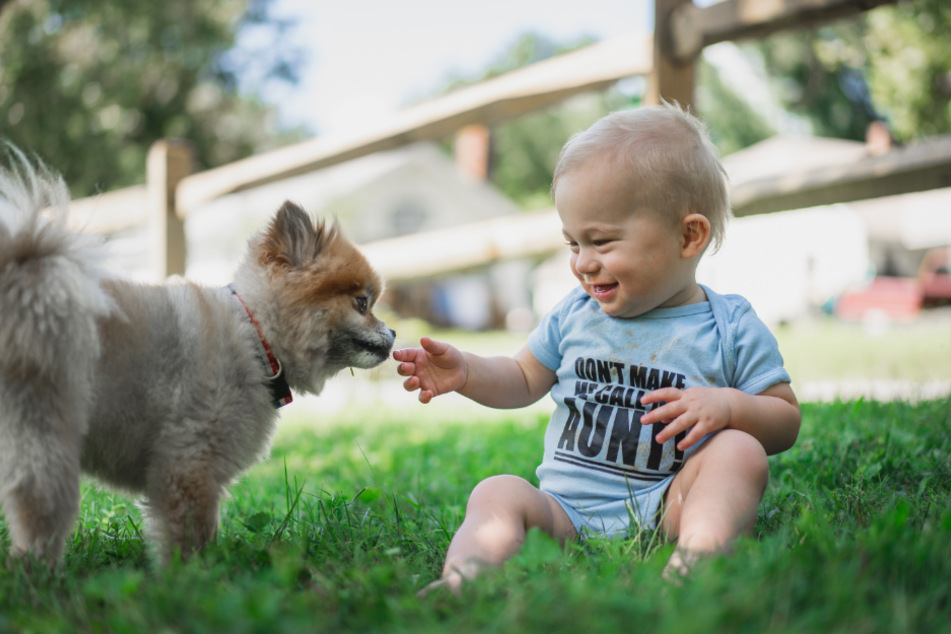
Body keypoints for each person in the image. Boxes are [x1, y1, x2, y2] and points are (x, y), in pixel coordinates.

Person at [393, 102, 801, 594]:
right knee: (497, 490)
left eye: (603, 242)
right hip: (563, 513)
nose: (583, 263)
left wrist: (729, 406)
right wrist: (468, 373)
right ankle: (465, 580)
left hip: (669, 505)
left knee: (740, 451)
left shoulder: (729, 325)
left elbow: (784, 420)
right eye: (573, 244)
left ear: (688, 235)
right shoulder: (574, 314)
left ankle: (697, 559)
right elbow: (523, 379)